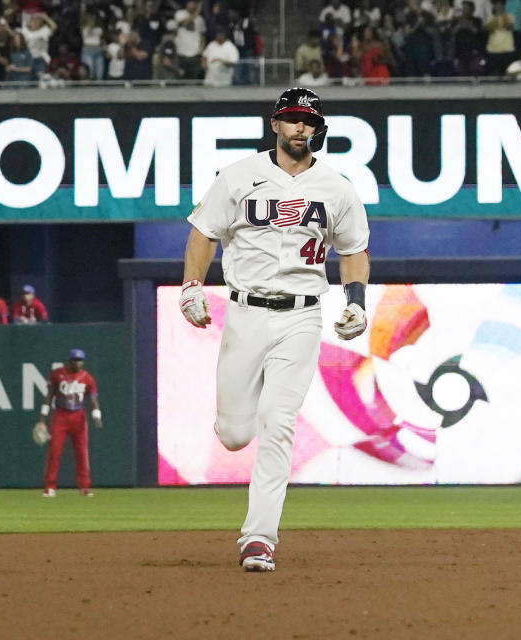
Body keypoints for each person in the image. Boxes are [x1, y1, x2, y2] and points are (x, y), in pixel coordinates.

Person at [179, 87, 370, 572]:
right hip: (244, 312)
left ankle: (258, 539)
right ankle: (233, 428)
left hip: (302, 315)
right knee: (235, 434)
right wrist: (192, 285)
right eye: (291, 118)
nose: (300, 127)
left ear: (317, 127)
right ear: (276, 124)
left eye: (308, 119)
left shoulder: (337, 187)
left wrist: (356, 301)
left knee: (278, 423)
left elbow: (353, 250)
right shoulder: (239, 176)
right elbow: (203, 232)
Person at [37, 349, 103, 498]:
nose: (77, 363)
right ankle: (50, 486)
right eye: (75, 360)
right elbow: (49, 395)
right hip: (60, 415)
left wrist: (96, 415)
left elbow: (93, 399)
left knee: (81, 452)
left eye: (80, 360)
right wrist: (43, 417)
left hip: (78, 416)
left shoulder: (87, 378)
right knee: (54, 452)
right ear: (70, 361)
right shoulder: (57, 374)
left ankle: (84, 487)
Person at [173, 1, 205, 79]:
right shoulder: (180, 14)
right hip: (181, 53)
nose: (192, 5)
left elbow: (202, 36)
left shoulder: (200, 19)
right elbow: (184, 23)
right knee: (180, 80)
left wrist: (202, 50)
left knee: (193, 81)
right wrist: (197, 12)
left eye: (194, 3)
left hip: (195, 54)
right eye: (190, 3)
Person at [485, 0, 516, 75]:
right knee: (494, 73)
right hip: (493, 50)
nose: (499, 7)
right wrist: (496, 16)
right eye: (497, 5)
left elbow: (509, 25)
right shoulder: (490, 17)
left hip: (507, 48)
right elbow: (489, 27)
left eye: (500, 5)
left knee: (508, 73)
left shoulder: (510, 16)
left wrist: (502, 14)